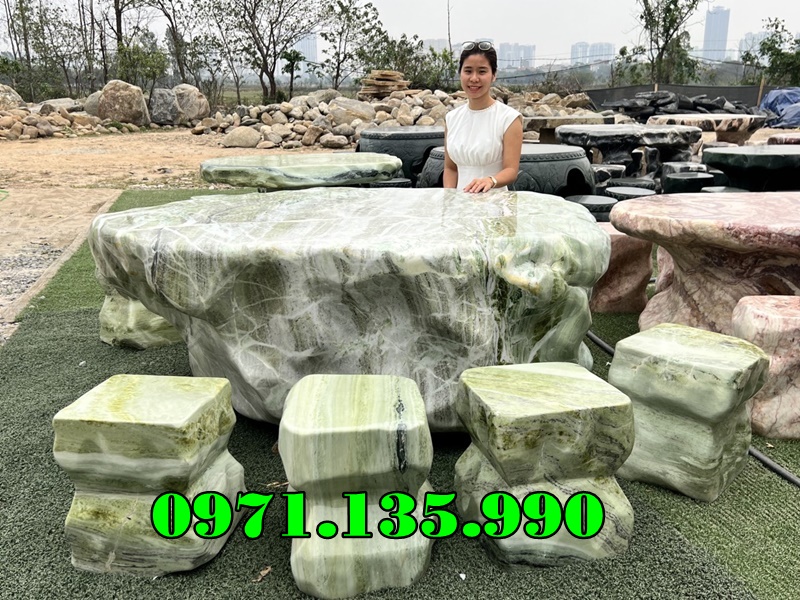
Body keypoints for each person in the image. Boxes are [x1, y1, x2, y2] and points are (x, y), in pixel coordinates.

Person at [444, 41, 523, 193]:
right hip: (459, 203)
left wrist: (491, 180)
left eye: (482, 72)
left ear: (493, 75)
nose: (474, 78)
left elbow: (511, 170)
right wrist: (449, 198)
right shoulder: (452, 118)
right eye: (468, 71)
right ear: (460, 73)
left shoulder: (509, 119)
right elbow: (450, 168)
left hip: (494, 201)